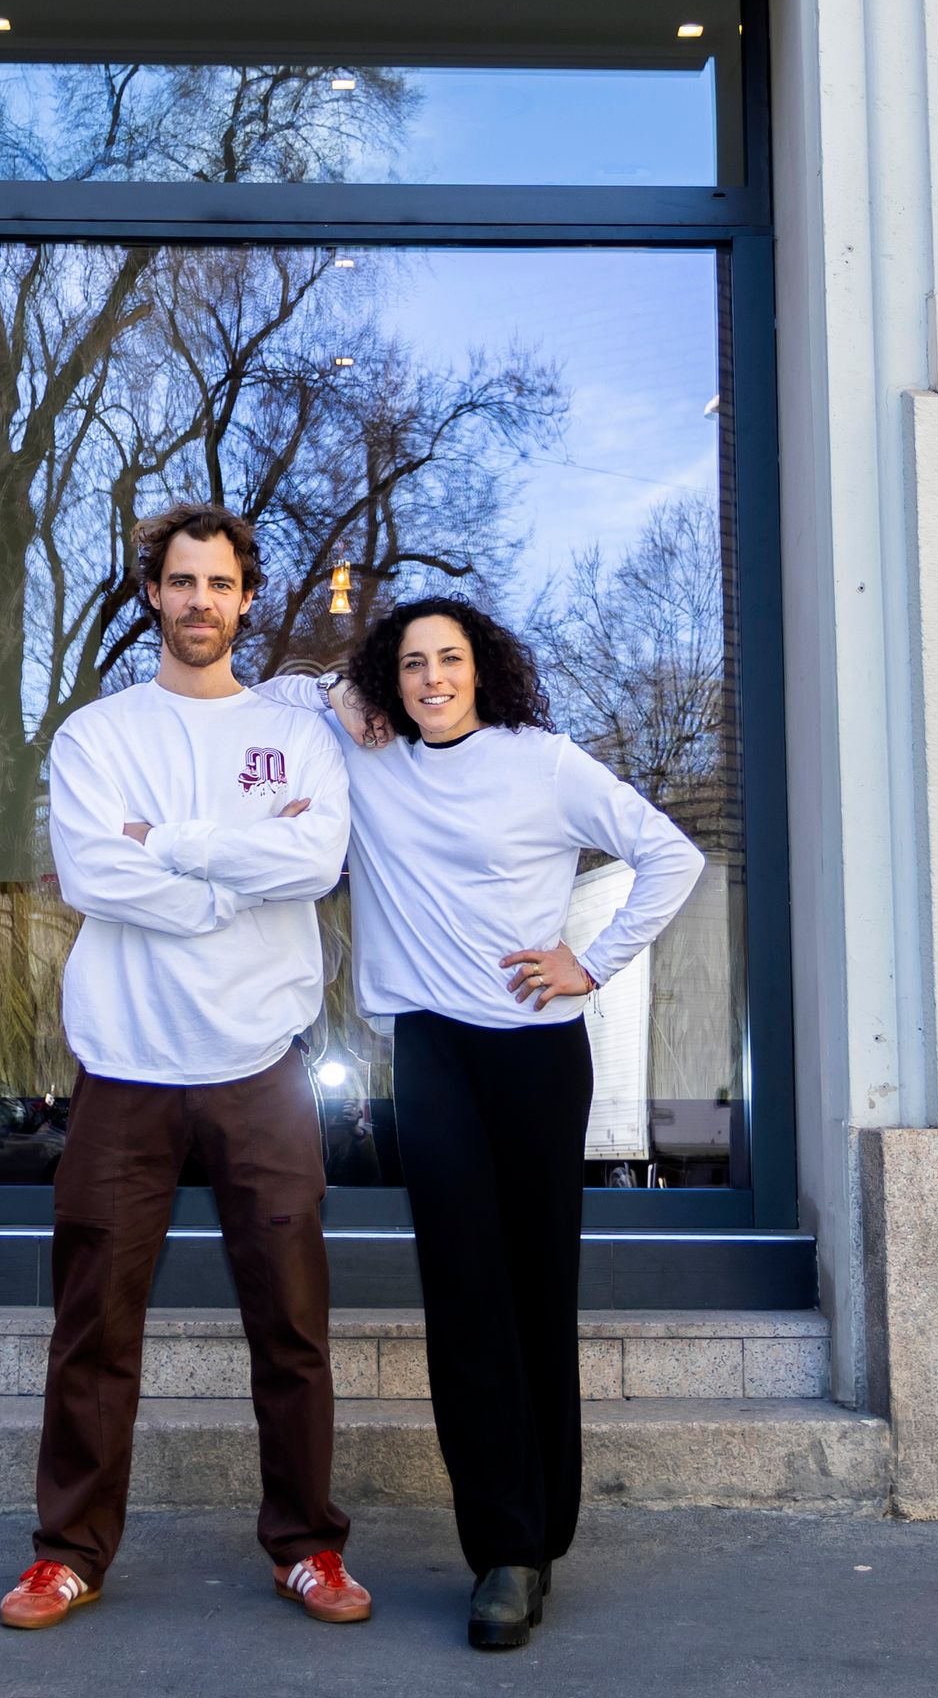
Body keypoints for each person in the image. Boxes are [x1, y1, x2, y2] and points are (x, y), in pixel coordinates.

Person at [268, 597, 701, 1652]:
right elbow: (274, 697)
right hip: (434, 1057)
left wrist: (591, 962)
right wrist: (343, 693)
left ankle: (544, 1529)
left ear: (482, 668)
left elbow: (672, 856)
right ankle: (502, 1550)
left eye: (449, 658)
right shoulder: (372, 758)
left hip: (535, 1053)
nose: (432, 678)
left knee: (538, 1291)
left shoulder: (541, 762)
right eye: (411, 662)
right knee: (464, 1300)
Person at [0, 503, 374, 1634]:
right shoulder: (97, 735)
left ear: (247, 598)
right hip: (126, 1068)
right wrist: (228, 886)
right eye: (181, 582)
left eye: (219, 583)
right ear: (152, 594)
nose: (199, 601)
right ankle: (68, 1555)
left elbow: (315, 859)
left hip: (262, 1067)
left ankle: (307, 1545)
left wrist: (169, 846)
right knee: (94, 1330)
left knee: (292, 1326)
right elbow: (92, 874)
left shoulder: (298, 733)